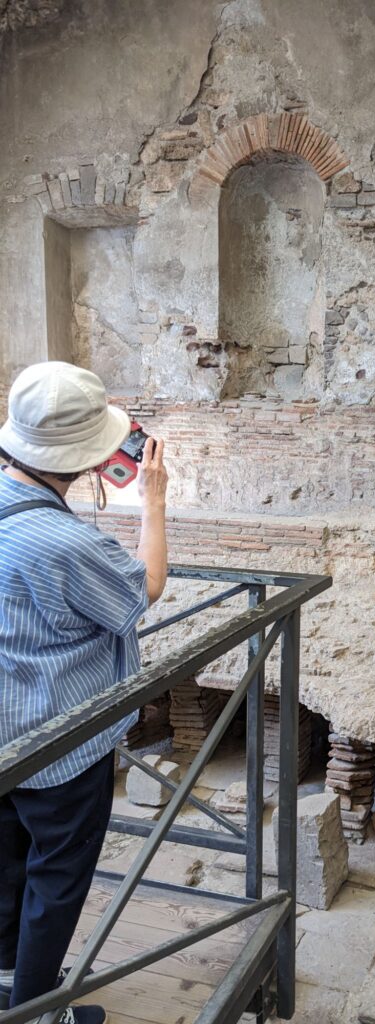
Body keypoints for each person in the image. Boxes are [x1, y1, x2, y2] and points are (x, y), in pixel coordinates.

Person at [0, 362, 169, 1024]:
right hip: (59, 744)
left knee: (7, 868)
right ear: (88, 457)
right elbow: (143, 589)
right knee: (58, 879)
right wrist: (152, 501)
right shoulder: (64, 543)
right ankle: (40, 1011)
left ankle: (10, 986)